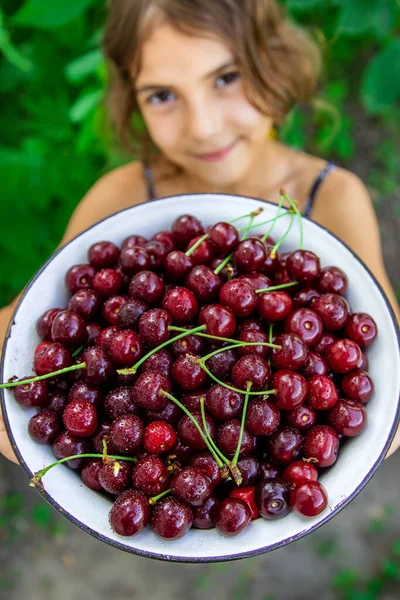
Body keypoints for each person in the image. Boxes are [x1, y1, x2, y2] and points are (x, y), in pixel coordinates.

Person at [0, 0, 399, 465]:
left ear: (274, 59)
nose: (204, 127)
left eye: (226, 77)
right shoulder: (119, 197)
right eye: (163, 95)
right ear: (132, 98)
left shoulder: (334, 197)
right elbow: (26, 323)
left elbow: (385, 349)